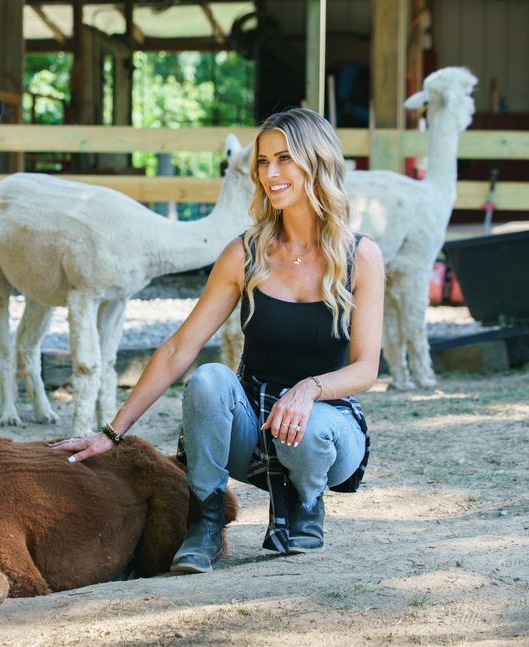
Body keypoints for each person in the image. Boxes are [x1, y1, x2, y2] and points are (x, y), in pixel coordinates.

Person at [52, 107, 385, 571]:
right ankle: (204, 520)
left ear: (317, 163)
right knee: (209, 377)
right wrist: (113, 432)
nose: (270, 173)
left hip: (327, 432)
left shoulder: (360, 256)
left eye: (285, 158)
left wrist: (309, 389)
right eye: (263, 162)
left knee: (305, 426)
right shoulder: (244, 254)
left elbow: (366, 368)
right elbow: (177, 349)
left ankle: (305, 500)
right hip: (253, 428)